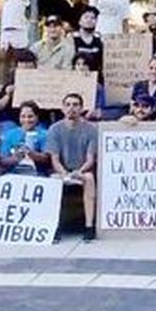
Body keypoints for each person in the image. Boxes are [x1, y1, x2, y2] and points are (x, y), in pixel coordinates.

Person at [46, 92, 99, 241]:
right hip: (62, 170)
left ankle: (89, 226)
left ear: (82, 108)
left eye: (75, 105)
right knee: (53, 180)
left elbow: (90, 158)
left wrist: (79, 172)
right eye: (68, 105)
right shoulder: (54, 129)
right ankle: (54, 226)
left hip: (82, 169)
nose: (71, 108)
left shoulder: (91, 129)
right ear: (62, 108)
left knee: (89, 179)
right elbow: (54, 159)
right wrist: (65, 174)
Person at [0, 100, 50, 174]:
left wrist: (32, 154)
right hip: (14, 175)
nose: (26, 120)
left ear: (37, 117)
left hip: (38, 175)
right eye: (23, 116)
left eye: (30, 116)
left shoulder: (44, 134)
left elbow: (47, 159)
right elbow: (2, 160)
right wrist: (15, 159)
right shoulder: (10, 134)